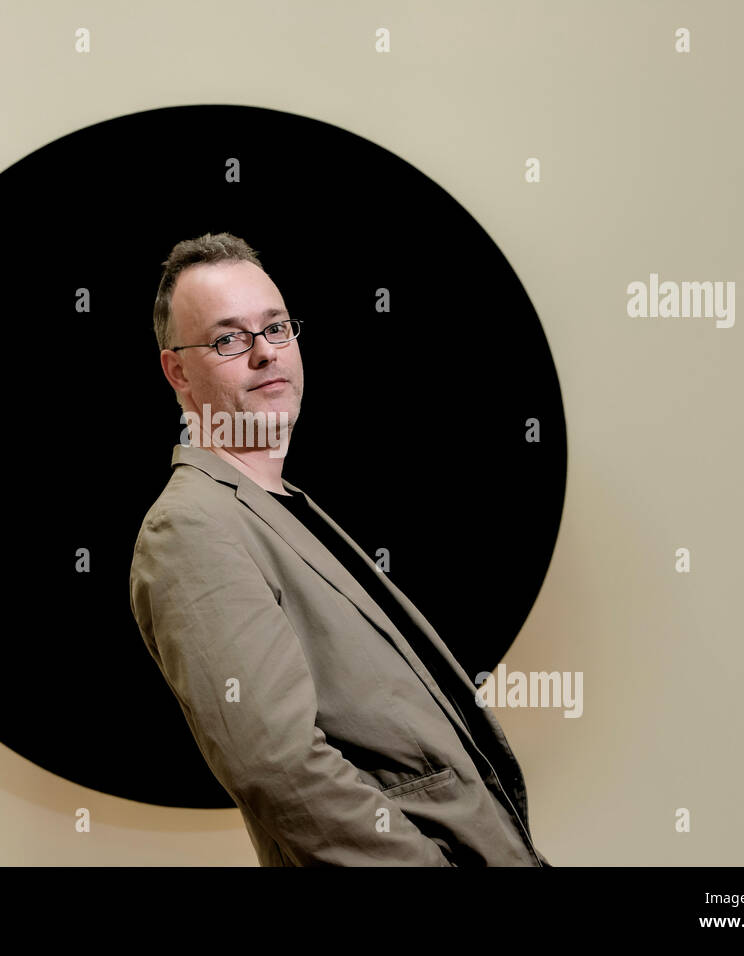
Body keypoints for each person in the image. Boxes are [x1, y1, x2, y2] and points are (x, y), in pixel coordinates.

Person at [129, 232, 551, 866]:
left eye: (275, 328)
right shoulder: (190, 528)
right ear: (177, 371)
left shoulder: (281, 505)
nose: (264, 354)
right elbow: (279, 766)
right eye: (227, 339)